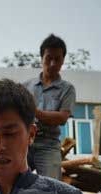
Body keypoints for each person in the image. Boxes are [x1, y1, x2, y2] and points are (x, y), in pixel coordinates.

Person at [22, 34, 76, 179]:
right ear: (42, 58)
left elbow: (62, 118)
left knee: (52, 186)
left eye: (57, 59)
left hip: (49, 145)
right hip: (24, 142)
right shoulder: (25, 87)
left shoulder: (67, 89)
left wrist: (34, 111)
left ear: (63, 61)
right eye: (48, 58)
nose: (52, 63)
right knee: (12, 181)